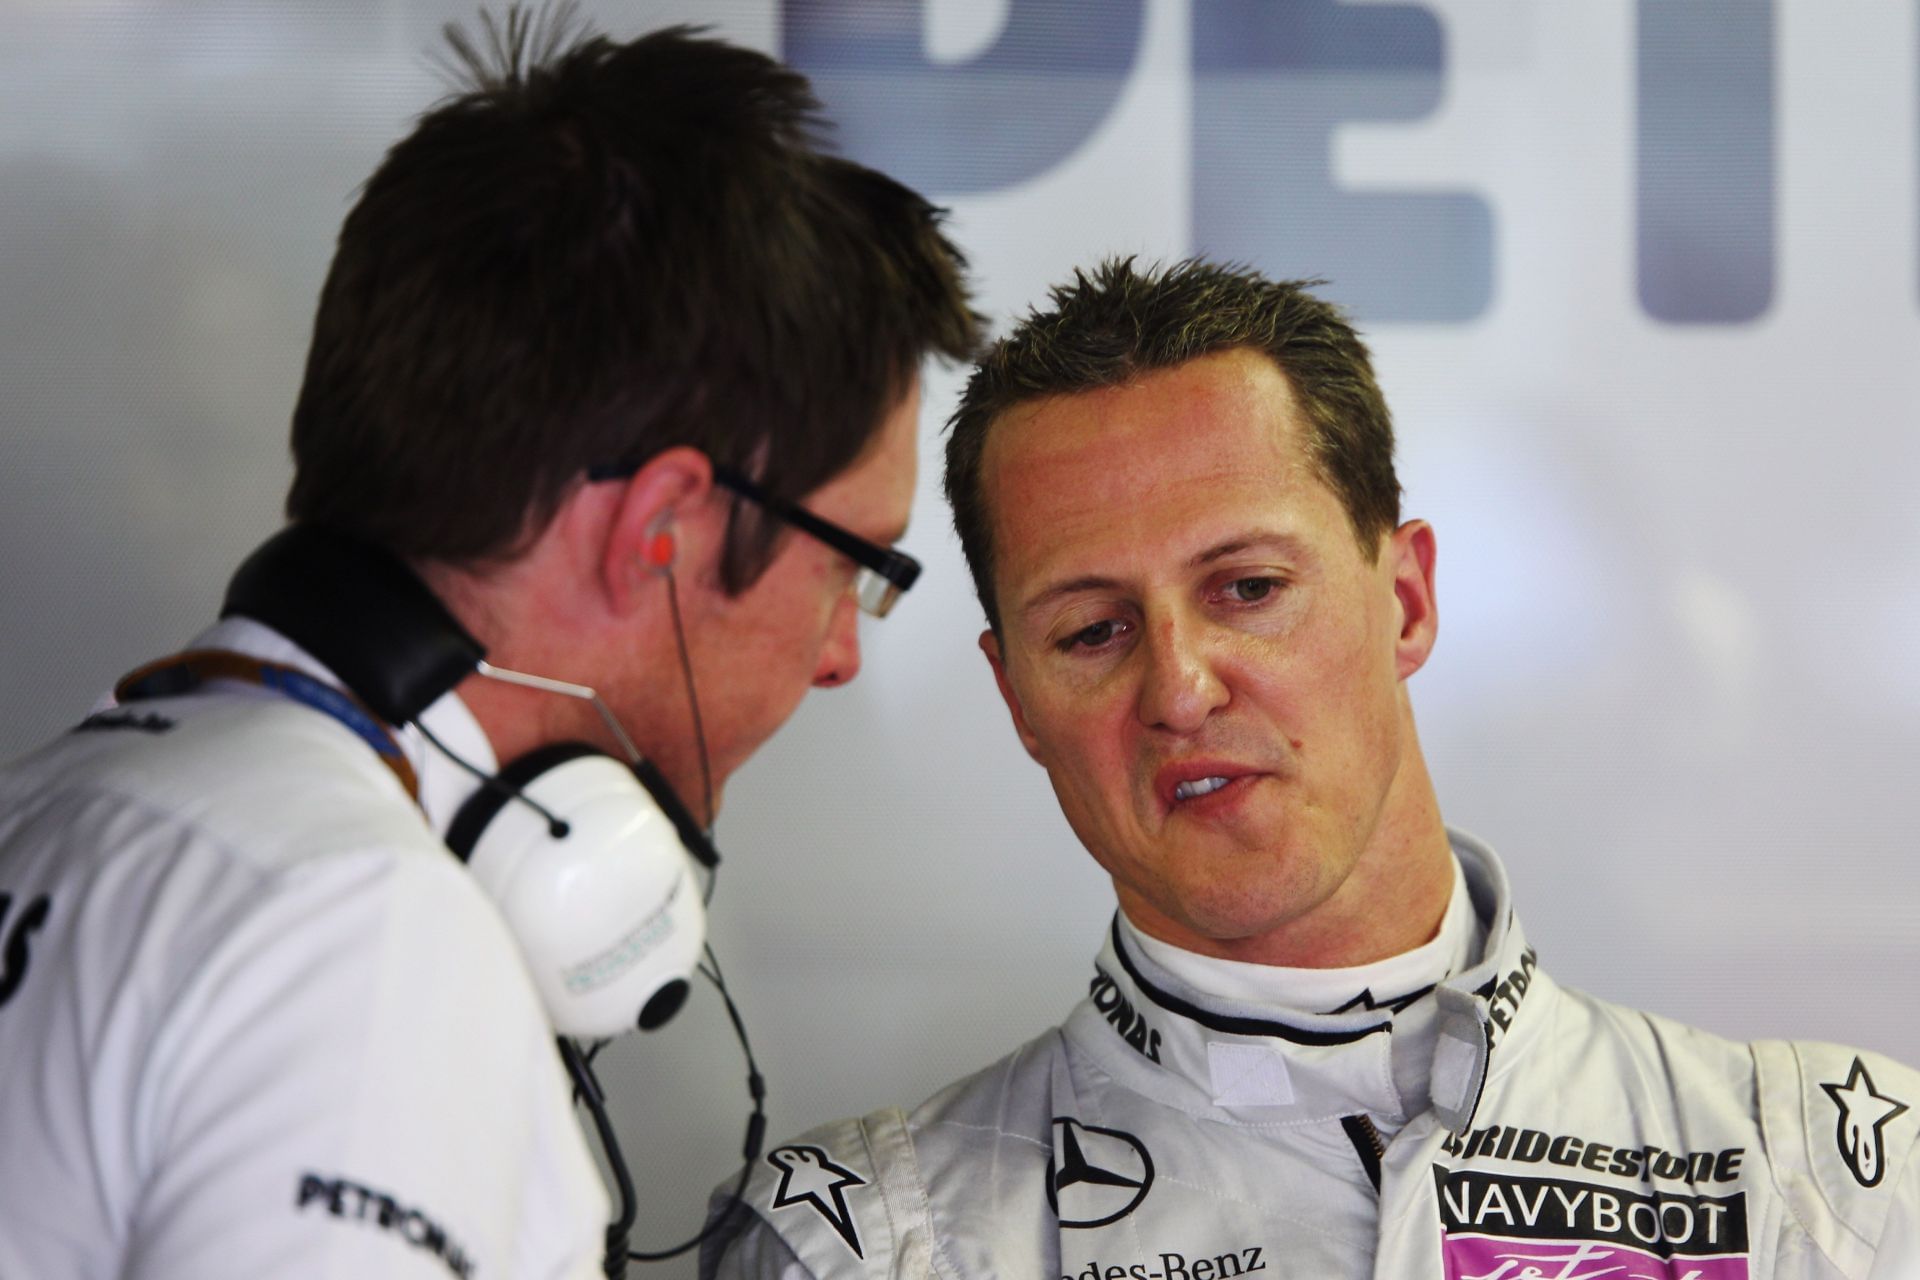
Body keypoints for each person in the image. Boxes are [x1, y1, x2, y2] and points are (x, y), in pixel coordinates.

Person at [704, 258, 1919, 1279]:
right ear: (1016, 695)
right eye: (1092, 629)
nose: (1180, 688)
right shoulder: (864, 1240)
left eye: (1248, 588)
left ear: (1405, 599)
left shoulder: (1834, 1177)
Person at [0, 12, 977, 1279]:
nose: (843, 651)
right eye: (851, 561)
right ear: (663, 526)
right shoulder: (358, 932)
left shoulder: (55, 806)